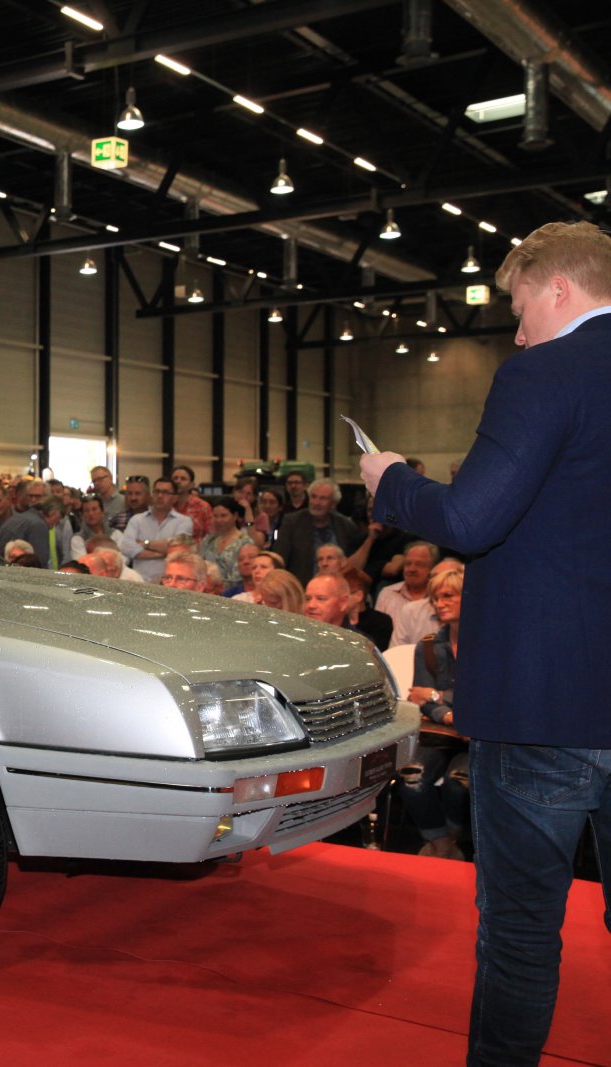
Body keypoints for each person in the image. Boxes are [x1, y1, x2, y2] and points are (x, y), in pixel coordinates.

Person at [361, 220, 611, 1065]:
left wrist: (392, 480)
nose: (519, 330)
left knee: (521, 932)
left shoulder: (542, 374)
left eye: (520, 307)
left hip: (545, 706)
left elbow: (471, 519)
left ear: (559, 288)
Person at [397, 566, 468, 862]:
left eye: (448, 596)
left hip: (476, 736)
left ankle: (449, 841)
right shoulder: (426, 646)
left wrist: (436, 696)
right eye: (436, 598)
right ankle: (443, 843)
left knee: (458, 784)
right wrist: (450, 715)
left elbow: (479, 698)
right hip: (441, 733)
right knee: (411, 778)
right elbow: (419, 698)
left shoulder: (490, 646)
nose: (440, 603)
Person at [271, 479, 360, 589]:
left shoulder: (346, 526)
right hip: (300, 588)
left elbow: (352, 564)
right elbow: (279, 559)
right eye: (313, 497)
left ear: (333, 504)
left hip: (337, 588)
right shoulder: (292, 522)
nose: (316, 502)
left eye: (323, 498)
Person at [118, 478, 193, 584]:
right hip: (139, 581)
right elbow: (126, 547)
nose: (160, 496)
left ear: (175, 498)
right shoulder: (137, 520)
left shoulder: (184, 521)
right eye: (157, 491)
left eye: (165, 492)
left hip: (170, 582)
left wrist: (145, 543)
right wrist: (164, 552)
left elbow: (179, 549)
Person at [197, 496, 253, 589]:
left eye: (223, 516)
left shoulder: (245, 542)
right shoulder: (209, 539)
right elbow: (198, 564)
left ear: (235, 516)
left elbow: (237, 578)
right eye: (215, 516)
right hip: (203, 588)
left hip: (232, 591)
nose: (219, 520)